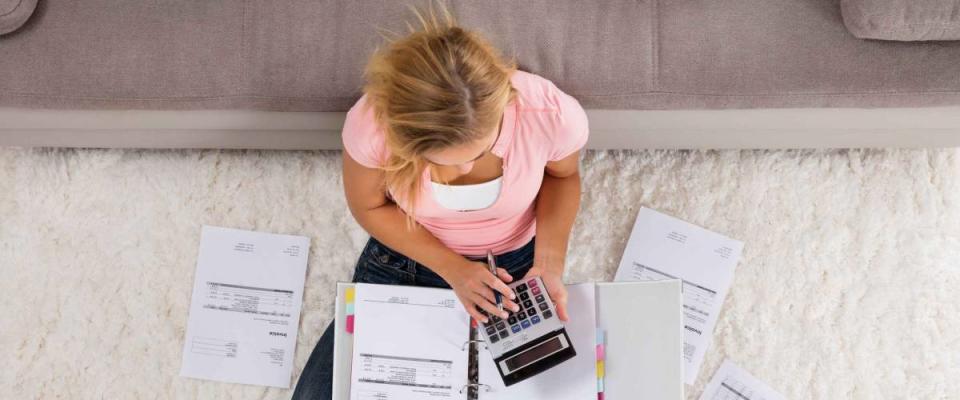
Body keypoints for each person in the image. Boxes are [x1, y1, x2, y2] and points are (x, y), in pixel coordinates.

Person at [291, 5, 589, 399]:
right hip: (408, 258)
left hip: (518, 266)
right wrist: (453, 268)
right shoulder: (372, 126)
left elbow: (562, 176)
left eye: (480, 151)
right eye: (441, 161)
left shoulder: (548, 113)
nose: (466, 168)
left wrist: (549, 262)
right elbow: (369, 207)